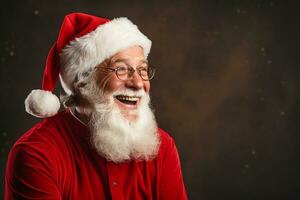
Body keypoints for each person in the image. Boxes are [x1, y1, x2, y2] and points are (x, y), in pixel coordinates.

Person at [5, 13, 188, 200]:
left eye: (142, 69)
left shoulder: (162, 146)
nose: (138, 83)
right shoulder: (36, 155)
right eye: (121, 69)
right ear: (81, 81)